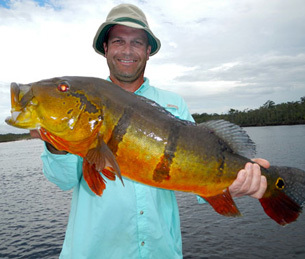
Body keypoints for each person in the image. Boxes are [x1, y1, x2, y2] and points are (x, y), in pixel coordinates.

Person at [31, 4, 269, 259]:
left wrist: (234, 185)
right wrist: (56, 142)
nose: (127, 50)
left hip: (160, 251)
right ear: (106, 49)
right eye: (118, 41)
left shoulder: (174, 104)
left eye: (136, 42)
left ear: (147, 51)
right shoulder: (85, 106)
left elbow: (198, 178)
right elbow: (63, 180)